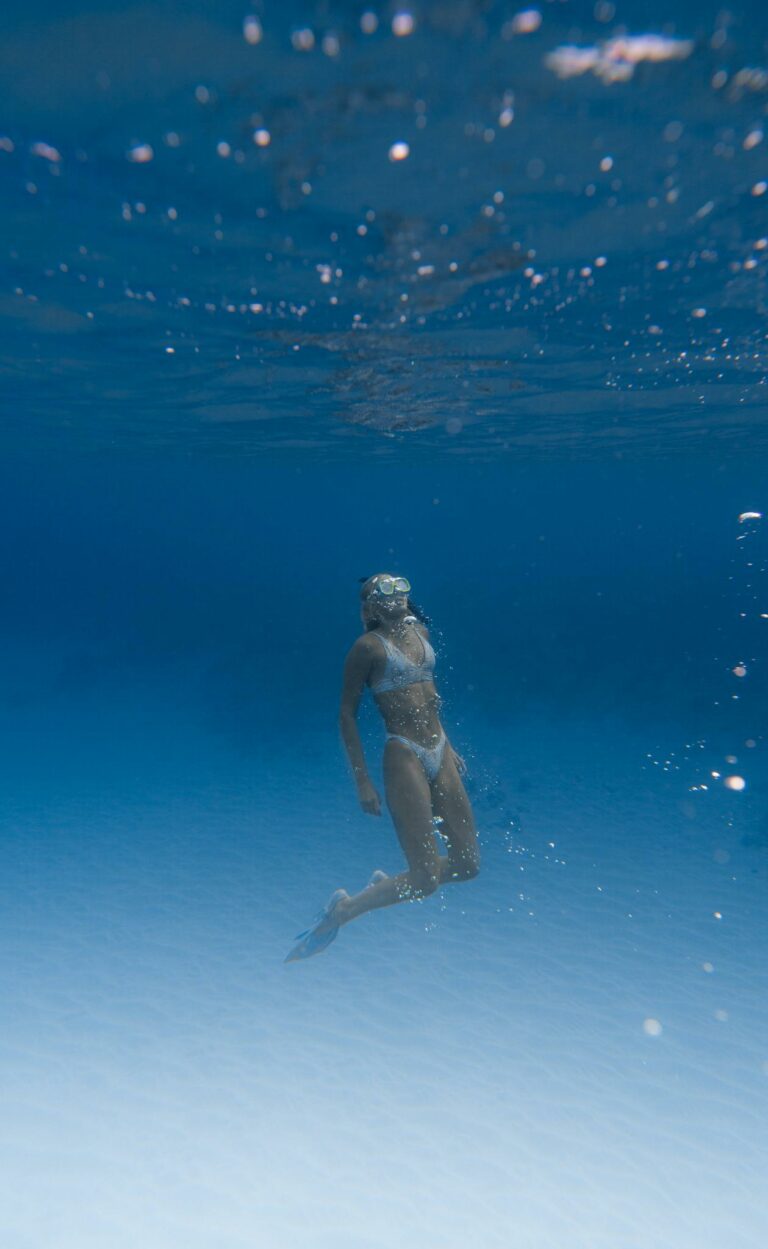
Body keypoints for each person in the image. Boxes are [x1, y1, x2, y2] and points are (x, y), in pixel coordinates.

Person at [285, 573, 480, 962]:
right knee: (424, 883)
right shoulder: (366, 649)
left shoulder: (420, 631)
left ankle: (384, 886)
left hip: (439, 751)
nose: (399, 594)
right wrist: (363, 783)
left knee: (468, 865)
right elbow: (346, 715)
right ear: (371, 605)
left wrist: (449, 743)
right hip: (403, 755)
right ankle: (342, 911)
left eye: (402, 586)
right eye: (386, 589)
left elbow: (430, 697)